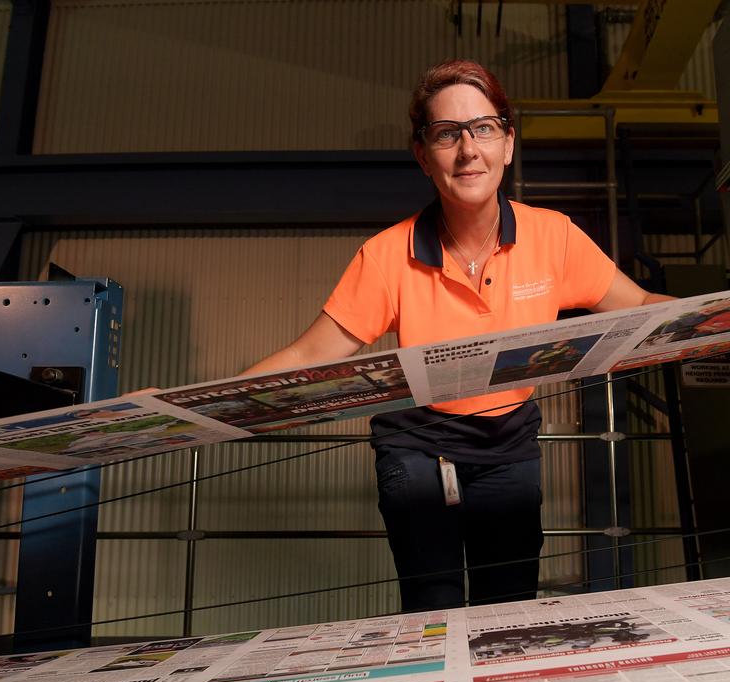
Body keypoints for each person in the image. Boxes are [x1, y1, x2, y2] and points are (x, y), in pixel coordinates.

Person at [244, 60, 674, 612]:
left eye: (484, 128)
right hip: (420, 444)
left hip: (508, 442)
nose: (469, 149)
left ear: (509, 144)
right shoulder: (387, 254)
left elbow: (638, 305)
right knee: (435, 601)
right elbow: (311, 353)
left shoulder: (553, 237)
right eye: (448, 134)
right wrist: (208, 406)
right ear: (424, 155)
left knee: (508, 601)